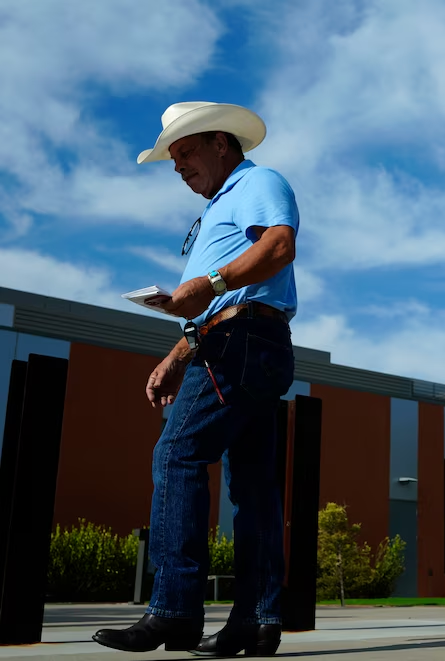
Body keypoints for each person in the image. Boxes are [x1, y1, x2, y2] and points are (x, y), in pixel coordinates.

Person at [93, 102, 299, 657]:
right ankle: (257, 622)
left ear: (221, 144)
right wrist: (177, 355)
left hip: (243, 342)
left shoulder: (257, 182)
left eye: (185, 152)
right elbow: (225, 302)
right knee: (253, 489)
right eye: (172, 158)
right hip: (243, 340)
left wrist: (206, 283)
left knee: (176, 456)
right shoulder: (219, 209)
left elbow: (279, 247)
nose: (178, 165)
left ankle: (174, 610)